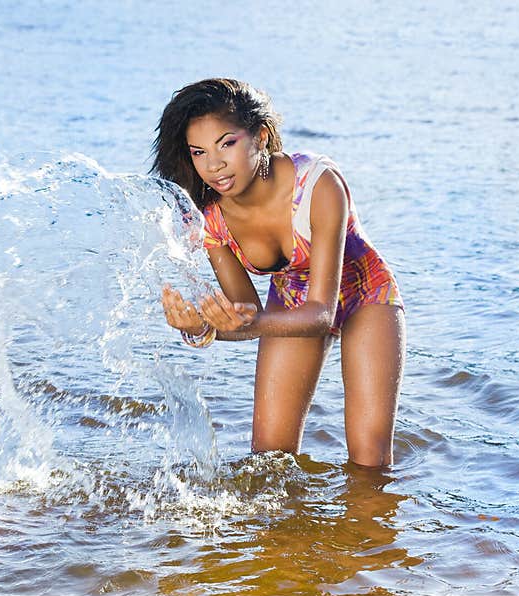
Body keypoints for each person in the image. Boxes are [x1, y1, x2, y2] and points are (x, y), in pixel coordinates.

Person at [152, 78, 405, 467]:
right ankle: (284, 530)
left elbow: (320, 314)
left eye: (227, 143)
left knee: (369, 457)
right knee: (269, 459)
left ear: (261, 136)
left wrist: (234, 324)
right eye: (199, 152)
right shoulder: (211, 219)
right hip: (291, 300)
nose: (214, 164)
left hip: (365, 295)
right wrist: (201, 328)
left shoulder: (318, 184)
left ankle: (370, 522)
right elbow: (246, 310)